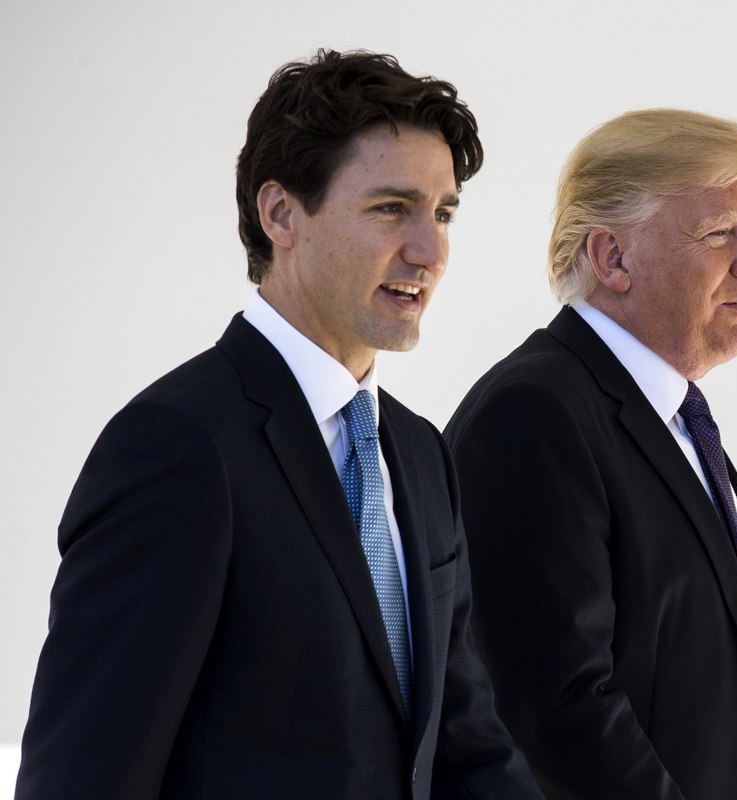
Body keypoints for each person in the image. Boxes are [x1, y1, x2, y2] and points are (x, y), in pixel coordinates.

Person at [16, 49, 541, 800]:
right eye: (392, 208)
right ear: (280, 213)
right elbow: (84, 776)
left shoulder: (421, 454)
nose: (430, 251)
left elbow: (468, 746)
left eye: (444, 212)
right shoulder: (178, 448)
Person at [444, 109, 737, 799]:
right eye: (721, 233)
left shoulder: (673, 417)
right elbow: (557, 709)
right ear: (613, 257)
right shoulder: (533, 414)